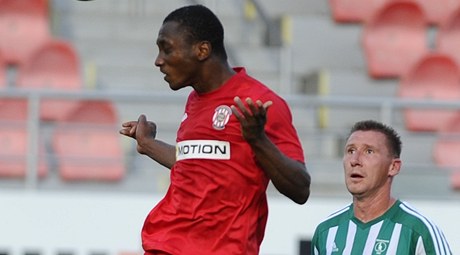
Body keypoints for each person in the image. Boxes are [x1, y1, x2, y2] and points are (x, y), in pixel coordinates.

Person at [119, 4, 311, 255]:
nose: (158, 61)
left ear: (202, 50)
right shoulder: (195, 100)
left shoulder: (260, 102)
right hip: (164, 245)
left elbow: (300, 188)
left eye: (167, 49)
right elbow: (198, 163)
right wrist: (148, 145)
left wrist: (257, 139)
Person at [311, 120, 452, 254]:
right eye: (351, 151)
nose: (355, 160)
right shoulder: (326, 231)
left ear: (393, 167)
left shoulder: (418, 230)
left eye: (369, 151)